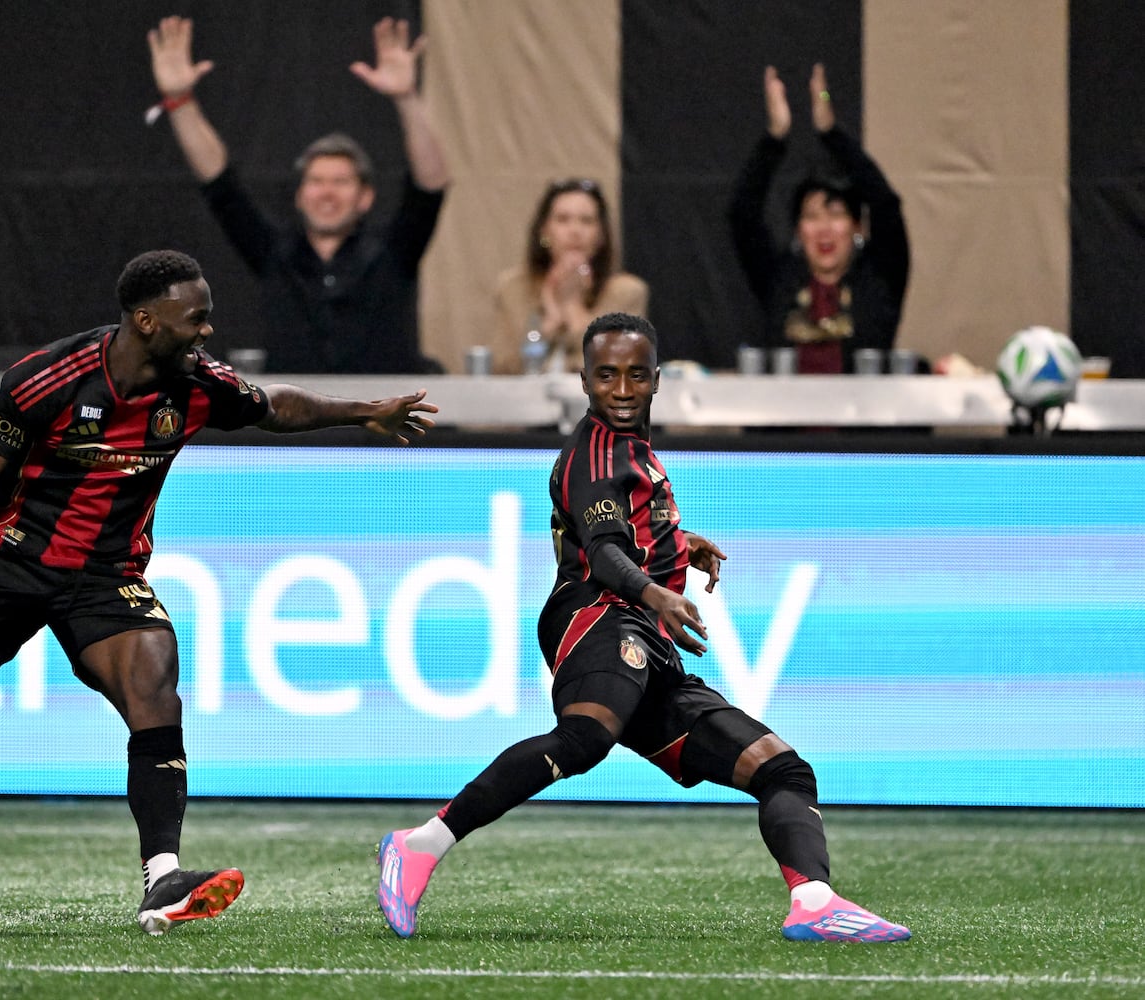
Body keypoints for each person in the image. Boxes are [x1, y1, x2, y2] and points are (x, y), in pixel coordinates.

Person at [0, 249, 437, 936]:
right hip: (11, 564)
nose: (207, 332)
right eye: (197, 319)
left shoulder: (198, 386)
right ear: (146, 321)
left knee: (155, 690)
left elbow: (276, 408)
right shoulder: (48, 379)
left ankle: (162, 879)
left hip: (107, 577)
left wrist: (367, 413)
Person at [375, 312, 909, 944]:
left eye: (634, 375)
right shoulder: (596, 452)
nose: (622, 390)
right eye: (606, 376)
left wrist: (679, 547)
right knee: (585, 738)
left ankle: (815, 903)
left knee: (783, 770)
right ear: (583, 380)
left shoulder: (634, 452)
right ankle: (419, 845)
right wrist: (658, 591)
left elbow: (632, 528)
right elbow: (603, 551)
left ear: (657, 380)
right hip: (599, 616)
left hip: (646, 643)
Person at [147, 15, 449, 374]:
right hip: (295, 425)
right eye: (316, 181)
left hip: (378, 425)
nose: (327, 192)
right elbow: (220, 185)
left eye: (341, 182)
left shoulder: (393, 252)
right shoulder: (275, 254)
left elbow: (430, 187)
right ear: (299, 195)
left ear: (365, 197)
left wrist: (406, 98)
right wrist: (179, 100)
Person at [728, 64, 910, 373]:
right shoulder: (779, 280)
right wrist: (775, 137)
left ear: (858, 226)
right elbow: (742, 213)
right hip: (785, 419)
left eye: (836, 214)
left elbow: (885, 204)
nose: (824, 228)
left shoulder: (879, 279)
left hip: (861, 419)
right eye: (811, 216)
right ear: (799, 230)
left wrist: (831, 133)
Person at [491, 178, 649, 375]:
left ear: (601, 236)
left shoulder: (626, 292)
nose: (575, 231)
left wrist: (573, 307)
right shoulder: (513, 288)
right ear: (544, 232)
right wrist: (549, 324)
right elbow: (500, 370)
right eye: (563, 219)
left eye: (586, 221)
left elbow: (615, 370)